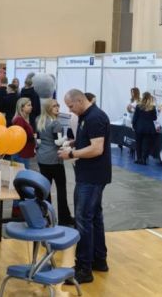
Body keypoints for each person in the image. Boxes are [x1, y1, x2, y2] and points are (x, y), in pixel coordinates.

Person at [59, 89, 111, 284]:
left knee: (83, 219)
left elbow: (97, 148)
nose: (70, 110)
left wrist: (72, 154)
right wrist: (75, 143)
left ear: (80, 101)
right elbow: (90, 141)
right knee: (94, 217)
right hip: (90, 175)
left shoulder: (94, 117)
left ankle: (84, 268)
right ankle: (99, 260)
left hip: (92, 176)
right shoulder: (86, 116)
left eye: (71, 106)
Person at [35, 99, 74, 226]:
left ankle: (47, 217)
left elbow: (38, 141)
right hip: (55, 160)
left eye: (58, 105)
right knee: (61, 190)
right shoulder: (56, 123)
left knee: (46, 189)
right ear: (48, 108)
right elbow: (58, 142)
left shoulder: (39, 120)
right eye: (54, 106)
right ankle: (64, 218)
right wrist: (68, 138)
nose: (57, 108)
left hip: (42, 159)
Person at [132, 92, 158, 165]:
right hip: (149, 129)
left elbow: (135, 117)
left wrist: (134, 125)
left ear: (143, 97)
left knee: (138, 143)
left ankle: (139, 159)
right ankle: (144, 159)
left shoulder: (138, 106)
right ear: (150, 98)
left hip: (139, 127)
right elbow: (155, 118)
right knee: (146, 144)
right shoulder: (152, 107)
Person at [11, 97, 36, 169]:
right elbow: (19, 137)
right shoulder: (19, 120)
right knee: (22, 173)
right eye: (28, 105)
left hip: (23, 153)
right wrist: (32, 137)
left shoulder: (23, 119)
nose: (31, 107)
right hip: (21, 154)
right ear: (22, 107)